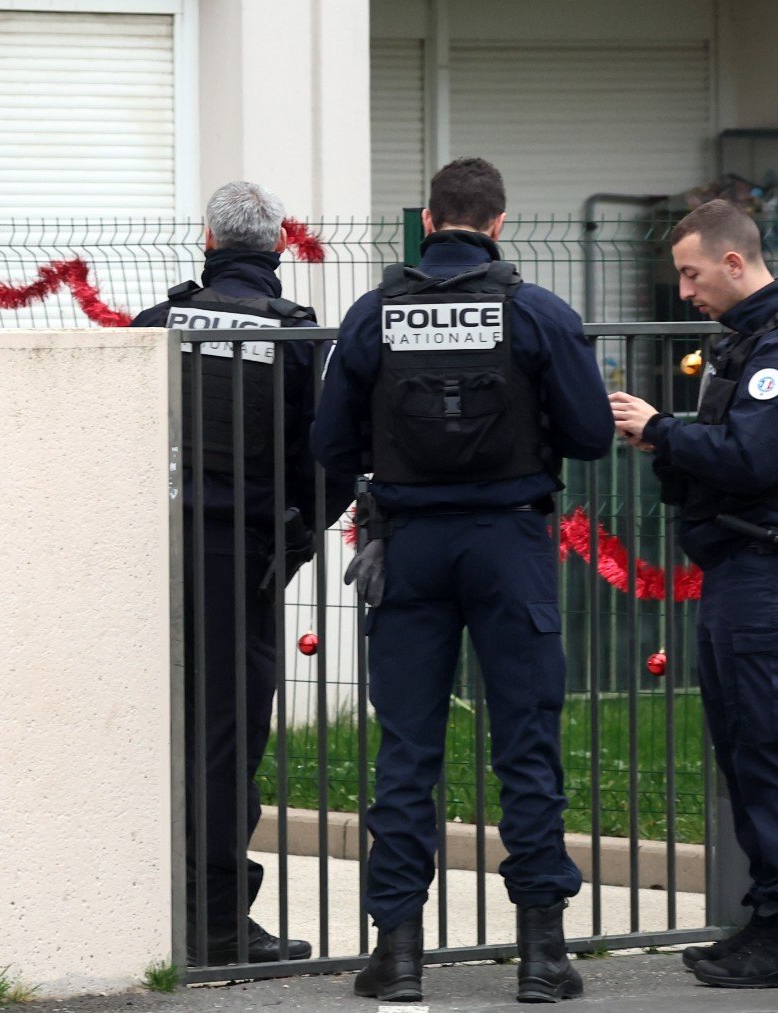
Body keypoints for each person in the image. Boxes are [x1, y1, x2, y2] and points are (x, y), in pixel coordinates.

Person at [311, 157, 614, 1003]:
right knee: (526, 743)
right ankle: (543, 958)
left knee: (408, 750)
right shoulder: (537, 313)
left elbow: (331, 443)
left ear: (428, 219)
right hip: (510, 546)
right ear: (499, 222)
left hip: (409, 548)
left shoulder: (374, 315)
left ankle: (399, 957)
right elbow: (592, 434)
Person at [607, 198, 778, 989]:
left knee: (774, 748)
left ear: (735, 263)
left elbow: (752, 456)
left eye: (692, 272)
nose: (684, 290)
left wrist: (663, 430)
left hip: (770, 570)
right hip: (738, 571)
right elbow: (723, 459)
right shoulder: (745, 346)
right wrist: (668, 440)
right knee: (744, 746)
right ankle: (771, 917)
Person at [132, 180, 345, 966]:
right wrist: (287, 550)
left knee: (159, 733)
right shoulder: (295, 337)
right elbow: (323, 464)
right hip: (240, 559)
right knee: (227, 741)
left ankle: (154, 909)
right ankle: (217, 924)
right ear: (280, 246)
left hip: (153, 555)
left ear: (208, 241)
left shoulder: (157, 325)